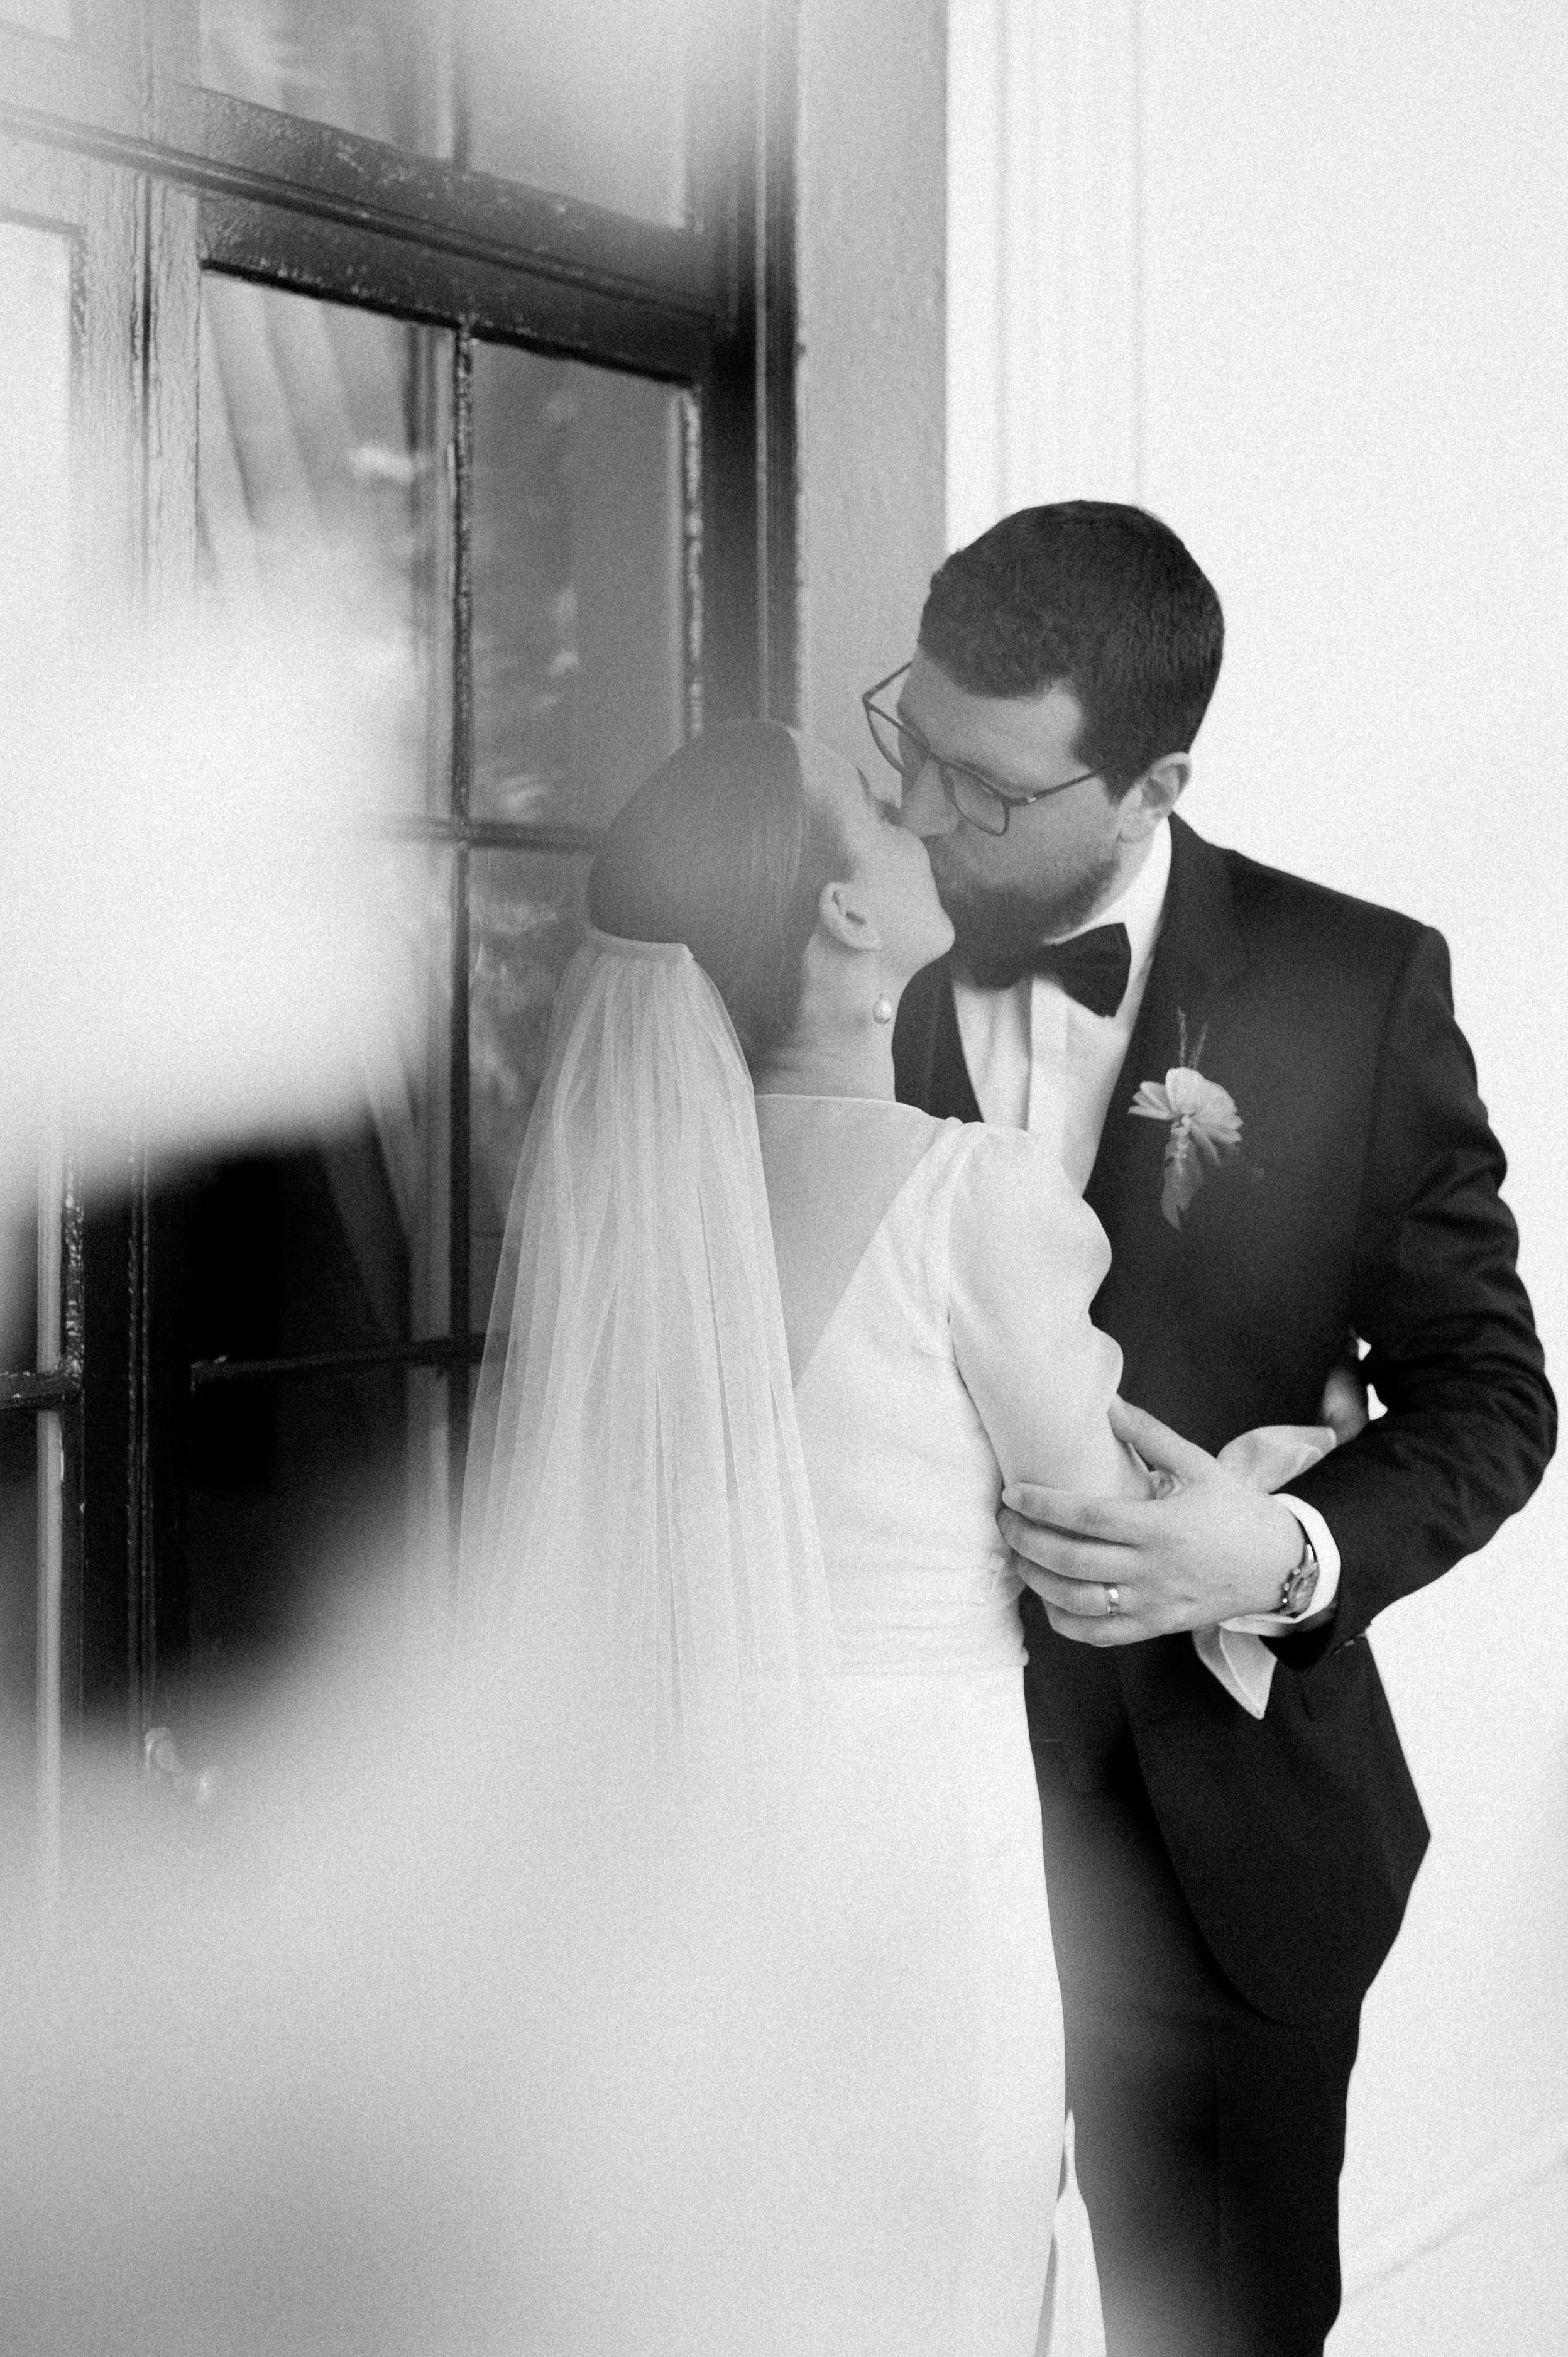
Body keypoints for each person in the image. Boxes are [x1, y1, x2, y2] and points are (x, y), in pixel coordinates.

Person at [884, 500, 1556, 2357]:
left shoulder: (1352, 988)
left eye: (992, 791)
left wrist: (1276, 1549)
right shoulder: (846, 955)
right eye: (911, 747)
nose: (928, 820)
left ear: (1156, 776)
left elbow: (1491, 1393)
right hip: (896, 1848)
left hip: (1220, 1836)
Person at [459, 719, 1153, 2355]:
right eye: (884, 816)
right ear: (841, 919)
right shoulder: (974, 1198)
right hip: (917, 1854)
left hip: (690, 1826)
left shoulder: (627, 1209)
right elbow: (1104, 1553)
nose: (922, 817)